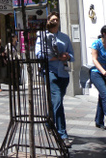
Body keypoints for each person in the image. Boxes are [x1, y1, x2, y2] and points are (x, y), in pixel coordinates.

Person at [35, 12, 74, 147]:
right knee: (57, 101)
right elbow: (39, 54)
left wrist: (66, 56)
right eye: (53, 19)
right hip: (50, 72)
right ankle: (62, 134)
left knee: (56, 102)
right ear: (48, 21)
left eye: (57, 19)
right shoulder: (42, 36)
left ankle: (48, 120)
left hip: (63, 74)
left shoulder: (64, 37)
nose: (55, 21)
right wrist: (56, 57)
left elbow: (72, 55)